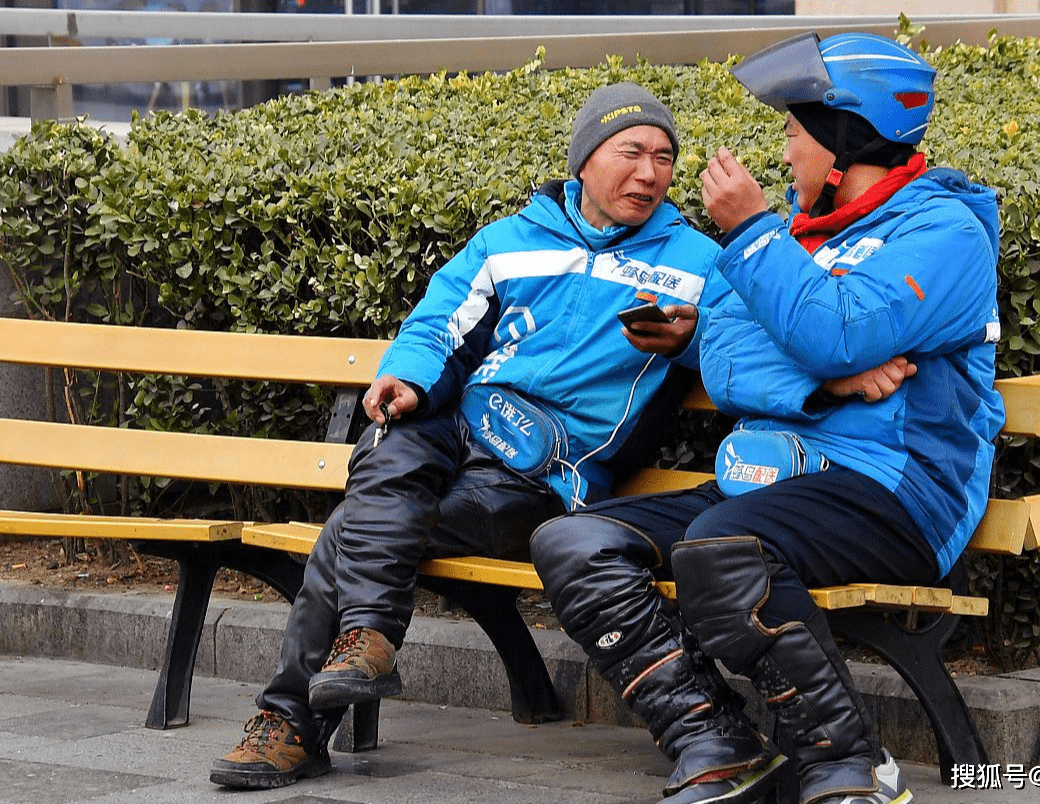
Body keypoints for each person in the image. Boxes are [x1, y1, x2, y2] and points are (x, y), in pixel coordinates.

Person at [210, 82, 736, 790]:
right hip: (459, 425)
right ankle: (352, 653)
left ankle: (300, 713)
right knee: (397, 434)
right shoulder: (510, 240)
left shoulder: (697, 264)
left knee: (348, 534)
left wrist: (691, 338)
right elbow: (438, 322)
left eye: (665, 157)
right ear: (585, 160)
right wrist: (408, 377)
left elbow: (740, 354)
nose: (649, 172)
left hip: (543, 475)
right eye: (631, 151)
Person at [530, 31, 1004, 804]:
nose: (783, 153)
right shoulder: (791, 234)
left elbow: (838, 330)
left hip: (895, 490)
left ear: (843, 138)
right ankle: (713, 742)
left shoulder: (943, 234)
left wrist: (753, 237)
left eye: (793, 131)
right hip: (767, 486)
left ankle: (847, 765)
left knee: (723, 546)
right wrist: (827, 385)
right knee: (574, 539)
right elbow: (724, 354)